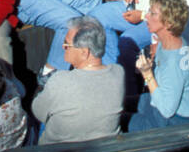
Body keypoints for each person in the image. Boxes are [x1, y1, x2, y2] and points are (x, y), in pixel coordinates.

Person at [31, 17, 124, 145]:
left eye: (67, 44)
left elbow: (38, 112)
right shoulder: (118, 73)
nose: (63, 47)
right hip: (105, 149)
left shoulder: (60, 80)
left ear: (84, 53)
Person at [128, 0, 189, 132]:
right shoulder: (176, 42)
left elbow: (167, 110)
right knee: (117, 104)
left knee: (118, 121)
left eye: (152, 14)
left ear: (168, 23)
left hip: (174, 122)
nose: (146, 16)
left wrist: (147, 74)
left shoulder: (173, 62)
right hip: (162, 101)